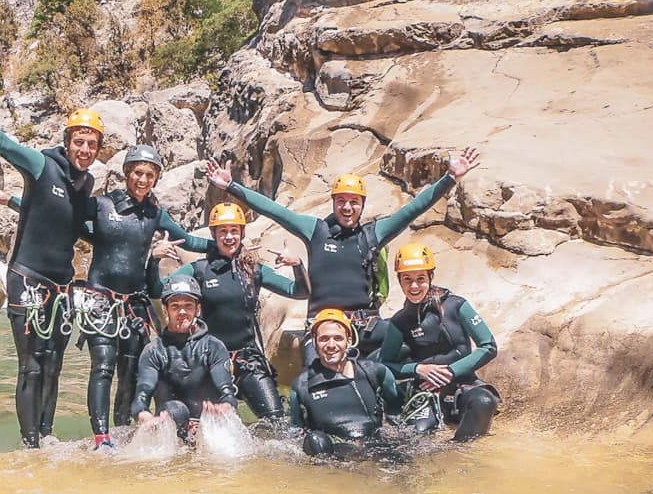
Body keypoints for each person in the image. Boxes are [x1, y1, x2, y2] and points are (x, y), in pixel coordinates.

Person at [0, 144, 209, 449]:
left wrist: (227, 243)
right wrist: (13, 201)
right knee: (103, 366)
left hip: (134, 303)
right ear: (127, 173)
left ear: (156, 178)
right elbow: (62, 213)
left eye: (149, 175)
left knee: (130, 373)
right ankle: (101, 438)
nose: (143, 180)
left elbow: (191, 240)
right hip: (99, 299)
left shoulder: (155, 215)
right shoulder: (103, 204)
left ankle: (123, 433)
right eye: (138, 173)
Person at [205, 150, 481, 362]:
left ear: (362, 205)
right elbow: (275, 210)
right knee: (315, 373)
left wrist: (449, 178)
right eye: (341, 201)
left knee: (412, 343)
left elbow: (412, 210)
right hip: (324, 324)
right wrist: (232, 187)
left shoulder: (372, 233)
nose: (347, 207)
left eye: (354, 202)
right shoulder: (316, 230)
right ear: (334, 202)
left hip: (367, 325)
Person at [0, 83, 100, 448]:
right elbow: (3, 143)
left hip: (62, 288)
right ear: (67, 141)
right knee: (31, 363)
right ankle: (30, 444)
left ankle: (47, 435)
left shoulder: (86, 182)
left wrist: (12, 201)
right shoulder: (42, 164)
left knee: (53, 364)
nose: (85, 149)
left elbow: (59, 217)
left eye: (92, 144)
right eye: (79, 141)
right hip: (27, 280)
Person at [158, 202, 307, 421]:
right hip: (208, 361)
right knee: (201, 426)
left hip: (248, 361)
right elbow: (159, 289)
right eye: (223, 231)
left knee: (276, 422)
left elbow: (299, 291)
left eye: (234, 231)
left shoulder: (253, 270)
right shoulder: (199, 270)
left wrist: (297, 265)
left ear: (242, 233)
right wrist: (154, 259)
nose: (229, 237)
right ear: (214, 234)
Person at [377, 242, 500, 442]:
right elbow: (384, 365)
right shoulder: (400, 321)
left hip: (463, 385)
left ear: (430, 277)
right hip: (427, 392)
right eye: (407, 279)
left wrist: (451, 371)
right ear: (399, 280)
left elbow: (489, 346)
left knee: (484, 402)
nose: (414, 286)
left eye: (420, 278)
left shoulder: (456, 305)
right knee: (416, 436)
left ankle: (457, 450)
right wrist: (418, 369)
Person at [132, 276, 239, 440]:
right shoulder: (153, 351)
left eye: (188, 306)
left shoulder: (214, 347)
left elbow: (227, 393)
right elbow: (141, 396)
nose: (182, 312)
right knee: (176, 409)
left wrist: (224, 407)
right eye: (175, 306)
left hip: (207, 427)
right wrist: (145, 417)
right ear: (165, 310)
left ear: (197, 309)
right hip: (169, 425)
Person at [289, 309, 402, 457]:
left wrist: (393, 429)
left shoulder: (374, 372)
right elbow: (294, 433)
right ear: (315, 342)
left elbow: (398, 409)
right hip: (334, 455)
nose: (331, 345)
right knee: (315, 440)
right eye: (324, 339)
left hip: (378, 447)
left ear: (348, 340)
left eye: (338, 338)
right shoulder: (302, 385)